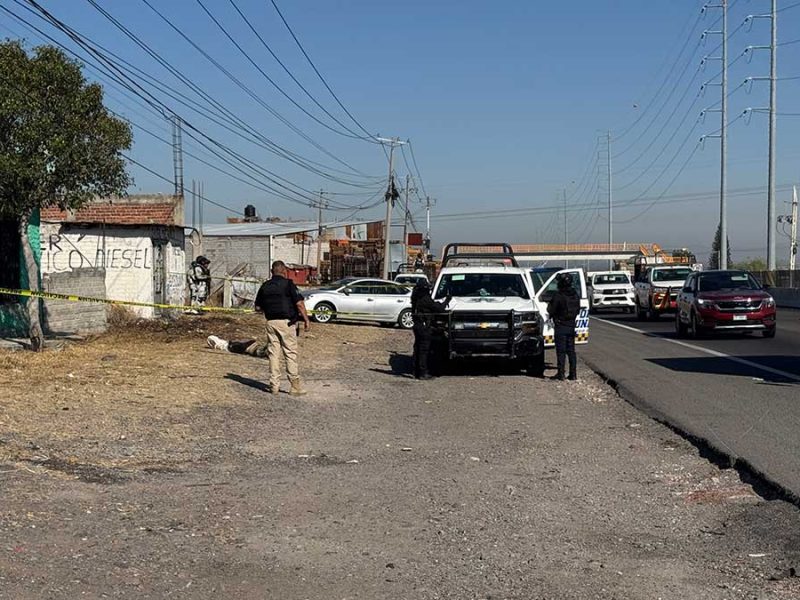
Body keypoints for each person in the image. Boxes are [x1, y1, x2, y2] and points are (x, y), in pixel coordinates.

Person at [254, 261, 311, 396]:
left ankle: (274, 385)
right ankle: (295, 386)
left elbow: (257, 307)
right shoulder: (288, 284)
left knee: (273, 354)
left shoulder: (265, 286)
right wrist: (306, 320)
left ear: (271, 271)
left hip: (271, 322)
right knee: (290, 354)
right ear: (284, 270)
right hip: (287, 323)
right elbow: (299, 304)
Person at [411, 280, 450, 380]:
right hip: (424, 327)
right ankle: (423, 373)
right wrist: (447, 301)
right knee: (424, 350)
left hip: (417, 325)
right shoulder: (425, 299)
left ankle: (416, 371)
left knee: (417, 348)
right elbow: (439, 309)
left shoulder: (415, 297)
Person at [547, 273, 581, 381]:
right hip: (571, 325)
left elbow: (551, 310)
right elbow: (578, 309)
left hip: (561, 325)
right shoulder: (575, 294)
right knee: (571, 351)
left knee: (561, 351)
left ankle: (561, 374)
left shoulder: (558, 295)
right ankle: (573, 374)